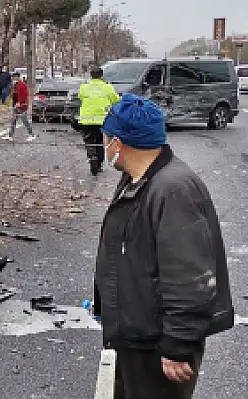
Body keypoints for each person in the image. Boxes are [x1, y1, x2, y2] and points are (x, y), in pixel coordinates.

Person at [94, 93, 234, 399]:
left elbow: (191, 276)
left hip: (156, 346)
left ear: (117, 143)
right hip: (137, 335)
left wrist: (179, 345)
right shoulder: (140, 178)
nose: (102, 144)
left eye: (105, 137)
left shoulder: (172, 190)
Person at [78, 67, 120, 175]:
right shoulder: (107, 87)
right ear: (102, 76)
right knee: (101, 142)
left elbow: (80, 97)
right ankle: (99, 163)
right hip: (103, 120)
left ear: (90, 75)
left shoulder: (84, 87)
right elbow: (115, 100)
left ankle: (92, 157)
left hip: (87, 119)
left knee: (89, 140)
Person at [8, 72, 35, 141]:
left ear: (18, 77)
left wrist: (20, 103)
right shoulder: (15, 85)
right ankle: (10, 135)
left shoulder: (23, 85)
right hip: (15, 106)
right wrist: (11, 96)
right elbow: (14, 94)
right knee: (13, 121)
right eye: (12, 78)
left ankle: (31, 134)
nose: (13, 79)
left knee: (25, 121)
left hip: (22, 106)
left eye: (14, 77)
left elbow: (24, 95)